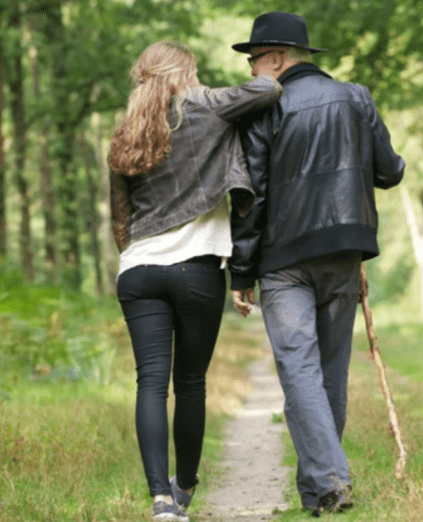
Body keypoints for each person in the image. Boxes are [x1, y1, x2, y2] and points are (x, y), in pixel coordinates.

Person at [229, 12, 405, 517]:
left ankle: (329, 480)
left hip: (284, 258)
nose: (251, 71)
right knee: (330, 369)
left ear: (278, 59)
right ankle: (323, 489)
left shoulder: (266, 109)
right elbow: (389, 172)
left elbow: (250, 197)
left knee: (299, 369)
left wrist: (241, 272)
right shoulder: (357, 97)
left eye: (254, 60)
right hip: (347, 249)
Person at [108, 41, 281, 522]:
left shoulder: (125, 134)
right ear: (184, 72)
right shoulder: (204, 105)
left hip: (138, 270)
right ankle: (184, 488)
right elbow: (267, 88)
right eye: (194, 71)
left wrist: (142, 251)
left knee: (149, 383)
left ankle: (159, 500)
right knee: (189, 383)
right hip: (196, 267)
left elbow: (120, 221)